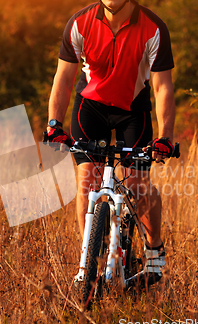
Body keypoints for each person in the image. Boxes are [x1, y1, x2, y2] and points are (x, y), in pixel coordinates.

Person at [44, 0, 176, 286]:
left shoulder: (154, 28)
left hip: (133, 112)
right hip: (90, 109)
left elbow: (162, 86)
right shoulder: (80, 23)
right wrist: (54, 123)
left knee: (138, 184)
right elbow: (64, 78)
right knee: (86, 182)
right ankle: (88, 262)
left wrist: (165, 137)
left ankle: (154, 252)